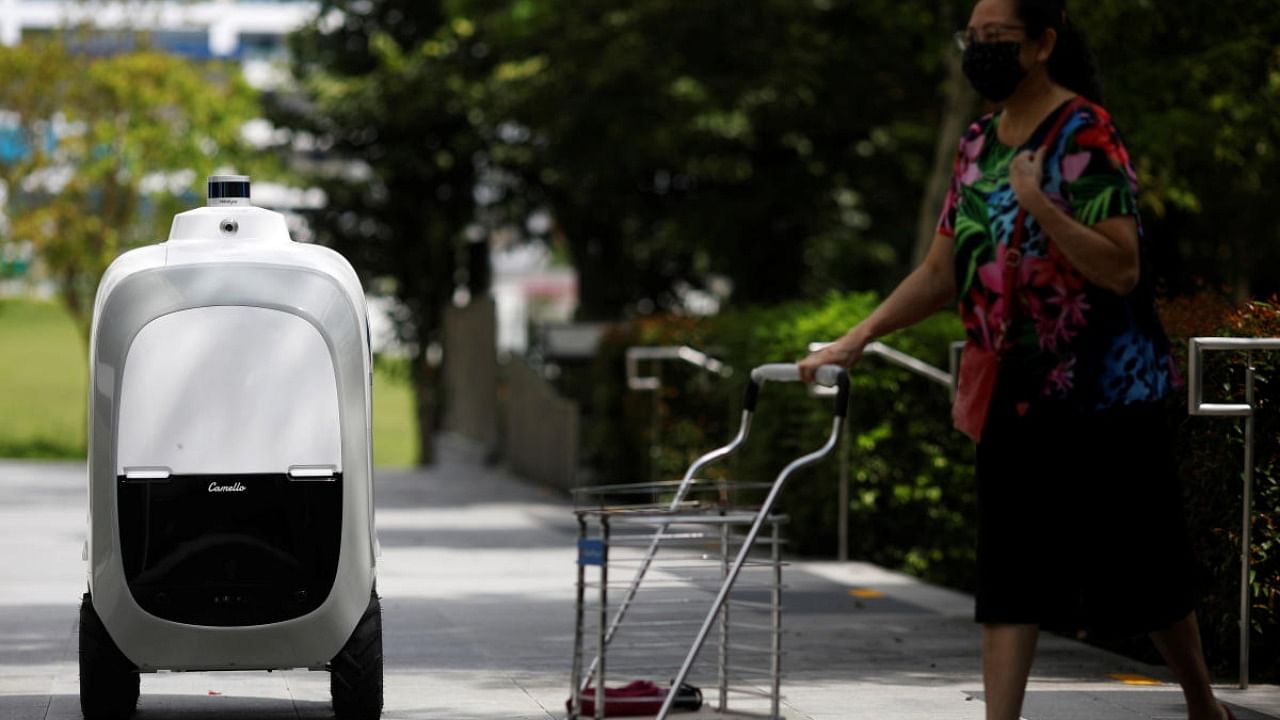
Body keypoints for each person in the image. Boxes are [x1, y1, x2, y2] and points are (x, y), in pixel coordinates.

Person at [798, 1, 1234, 719]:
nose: (982, 51)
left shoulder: (1085, 133)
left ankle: (1201, 702)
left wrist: (1041, 203)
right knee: (1010, 573)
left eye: (998, 38)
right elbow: (940, 274)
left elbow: (1122, 269)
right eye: (974, 38)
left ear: (1042, 45)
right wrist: (858, 337)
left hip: (1106, 391)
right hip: (1014, 389)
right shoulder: (975, 145)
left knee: (1143, 568)